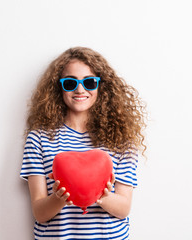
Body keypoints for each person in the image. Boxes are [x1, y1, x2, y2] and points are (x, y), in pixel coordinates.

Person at [20, 47, 147, 239]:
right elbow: (39, 212)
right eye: (70, 83)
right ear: (59, 87)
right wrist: (59, 198)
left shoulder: (121, 139)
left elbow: (123, 208)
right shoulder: (39, 138)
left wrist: (100, 195)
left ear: (100, 86)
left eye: (89, 82)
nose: (80, 89)